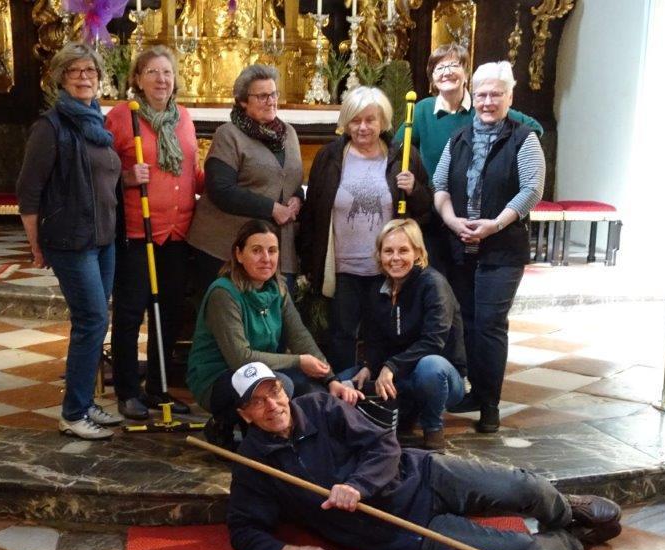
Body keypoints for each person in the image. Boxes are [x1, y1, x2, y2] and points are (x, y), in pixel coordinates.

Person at [226, 362, 622, 550]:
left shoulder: (320, 407)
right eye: (258, 402)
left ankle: (566, 511)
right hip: (401, 531)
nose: (272, 405)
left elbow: (383, 444)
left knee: (527, 489)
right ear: (245, 415)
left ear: (284, 390)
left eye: (273, 392)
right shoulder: (253, 464)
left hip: (426, 475)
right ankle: (576, 539)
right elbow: (243, 529)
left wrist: (358, 485)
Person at [432, 61, 547, 434]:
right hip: (461, 246)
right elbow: (440, 185)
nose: (487, 101)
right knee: (467, 321)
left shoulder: (524, 138)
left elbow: (531, 189)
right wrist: (452, 220)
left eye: (496, 94)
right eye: (481, 94)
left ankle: (491, 404)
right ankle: (475, 392)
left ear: (510, 97)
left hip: (502, 249)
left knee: (490, 325)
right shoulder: (459, 138)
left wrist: (494, 225)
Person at [17, 41, 123, 440]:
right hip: (71, 240)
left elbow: (104, 178)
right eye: (75, 71)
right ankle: (74, 413)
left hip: (103, 238)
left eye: (90, 71)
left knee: (96, 320)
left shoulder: (98, 123)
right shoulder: (50, 127)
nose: (84, 77)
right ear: (61, 78)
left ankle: (85, 400)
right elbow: (28, 191)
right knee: (91, 319)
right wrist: (36, 245)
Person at [186, 220, 361, 449]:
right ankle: (227, 424)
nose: (266, 258)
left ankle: (296, 443)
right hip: (218, 378)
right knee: (282, 386)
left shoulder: (278, 288)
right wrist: (298, 361)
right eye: (256, 250)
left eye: (272, 250)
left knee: (313, 391)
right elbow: (241, 359)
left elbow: (300, 337)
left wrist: (330, 379)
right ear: (239, 254)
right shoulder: (224, 293)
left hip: (265, 372)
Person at [299, 86, 432, 373]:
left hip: (387, 268)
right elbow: (313, 212)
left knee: (382, 334)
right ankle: (344, 386)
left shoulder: (403, 156)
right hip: (343, 268)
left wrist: (415, 190)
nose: (363, 127)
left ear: (383, 122)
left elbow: (425, 211)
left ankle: (379, 388)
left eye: (370, 120)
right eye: (355, 120)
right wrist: (309, 260)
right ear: (346, 123)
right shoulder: (330, 156)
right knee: (341, 334)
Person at [105, 46, 202, 421]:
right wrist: (126, 177)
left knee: (169, 313)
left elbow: (192, 172)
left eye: (167, 72)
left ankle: (158, 388)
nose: (161, 79)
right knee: (130, 313)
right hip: (137, 233)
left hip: (178, 234)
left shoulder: (184, 118)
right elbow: (97, 169)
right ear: (137, 79)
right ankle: (128, 391)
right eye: (152, 72)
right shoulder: (122, 117)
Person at [393, 44, 542, 275]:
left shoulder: (483, 104)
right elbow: (398, 146)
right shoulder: (423, 110)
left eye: (454, 65)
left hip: (481, 214)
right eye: (439, 68)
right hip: (436, 207)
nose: (446, 72)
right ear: (432, 76)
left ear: (466, 73)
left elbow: (533, 128)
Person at [186, 64, 304, 300]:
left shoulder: (289, 134)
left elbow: (291, 180)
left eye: (273, 94)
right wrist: (272, 208)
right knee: (229, 316)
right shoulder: (228, 135)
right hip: (224, 249)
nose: (271, 101)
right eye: (262, 96)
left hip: (273, 251)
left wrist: (297, 199)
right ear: (242, 101)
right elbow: (221, 190)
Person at [349, 219, 466, 450]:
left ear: (418, 253)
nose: (395, 258)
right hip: (399, 375)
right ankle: (399, 416)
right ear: (379, 255)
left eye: (403, 250)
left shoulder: (433, 284)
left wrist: (391, 366)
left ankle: (433, 427)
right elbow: (374, 339)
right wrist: (369, 366)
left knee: (430, 367)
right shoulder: (378, 288)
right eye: (388, 251)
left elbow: (434, 341)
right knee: (347, 378)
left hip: (443, 378)